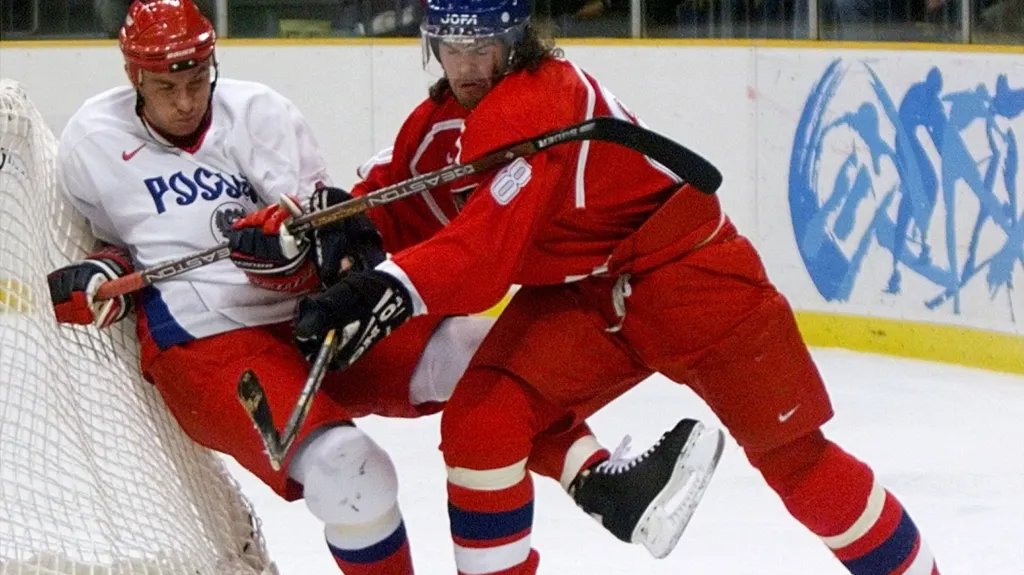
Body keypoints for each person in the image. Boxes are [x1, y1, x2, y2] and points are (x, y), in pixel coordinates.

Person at [44, 1, 722, 573]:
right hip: (211, 346)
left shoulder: (262, 114)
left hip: (307, 320)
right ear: (134, 77)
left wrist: (296, 249)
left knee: (476, 348)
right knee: (351, 473)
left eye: (196, 79)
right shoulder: (91, 143)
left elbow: (330, 242)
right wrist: (98, 275)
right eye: (167, 87)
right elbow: (96, 252)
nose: (187, 100)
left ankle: (602, 481)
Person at [288, 0, 945, 574]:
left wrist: (387, 286)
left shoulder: (541, 101)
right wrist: (321, 228)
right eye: (452, 48)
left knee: (797, 464)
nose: (467, 68)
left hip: (693, 278)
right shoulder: (442, 124)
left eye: (482, 47)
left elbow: (481, 259)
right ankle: (596, 482)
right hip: (586, 298)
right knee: (482, 421)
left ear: (515, 42)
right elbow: (396, 199)